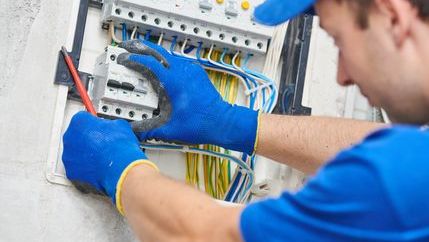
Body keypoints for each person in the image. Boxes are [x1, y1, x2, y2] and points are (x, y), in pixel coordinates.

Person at [62, 0, 429, 241]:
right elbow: (393, 151)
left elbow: (213, 235)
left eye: (340, 40)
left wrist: (119, 169)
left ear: (393, 16)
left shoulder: (396, 185)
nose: (343, 76)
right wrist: (233, 123)